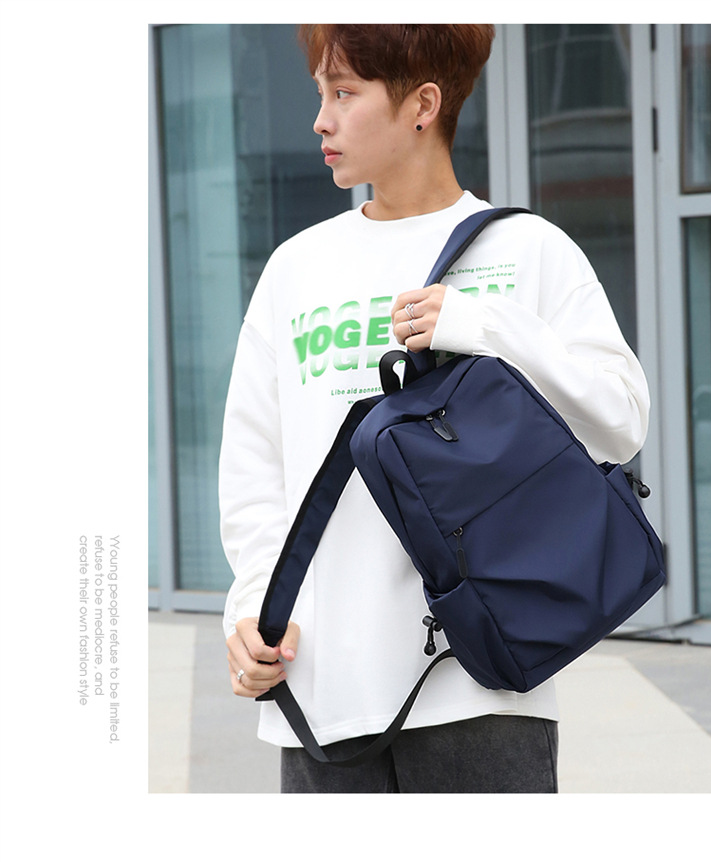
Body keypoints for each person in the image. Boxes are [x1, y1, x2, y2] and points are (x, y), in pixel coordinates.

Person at [220, 24, 650, 793]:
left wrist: (485, 328)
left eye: (344, 93)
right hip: (320, 691)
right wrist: (253, 607)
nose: (320, 120)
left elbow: (619, 418)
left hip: (479, 688)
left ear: (423, 105)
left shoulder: (528, 250)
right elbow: (257, 468)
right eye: (321, 93)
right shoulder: (297, 268)